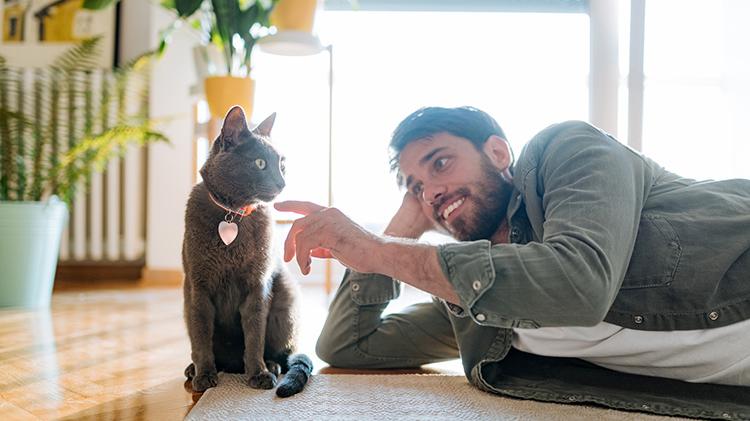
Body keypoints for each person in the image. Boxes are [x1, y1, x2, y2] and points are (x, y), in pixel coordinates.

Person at [275, 106, 750, 418]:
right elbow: (348, 345)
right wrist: (400, 227)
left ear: (498, 151)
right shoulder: (476, 306)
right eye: (416, 186)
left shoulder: (569, 149)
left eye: (440, 163)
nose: (431, 192)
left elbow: (577, 282)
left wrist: (377, 249)